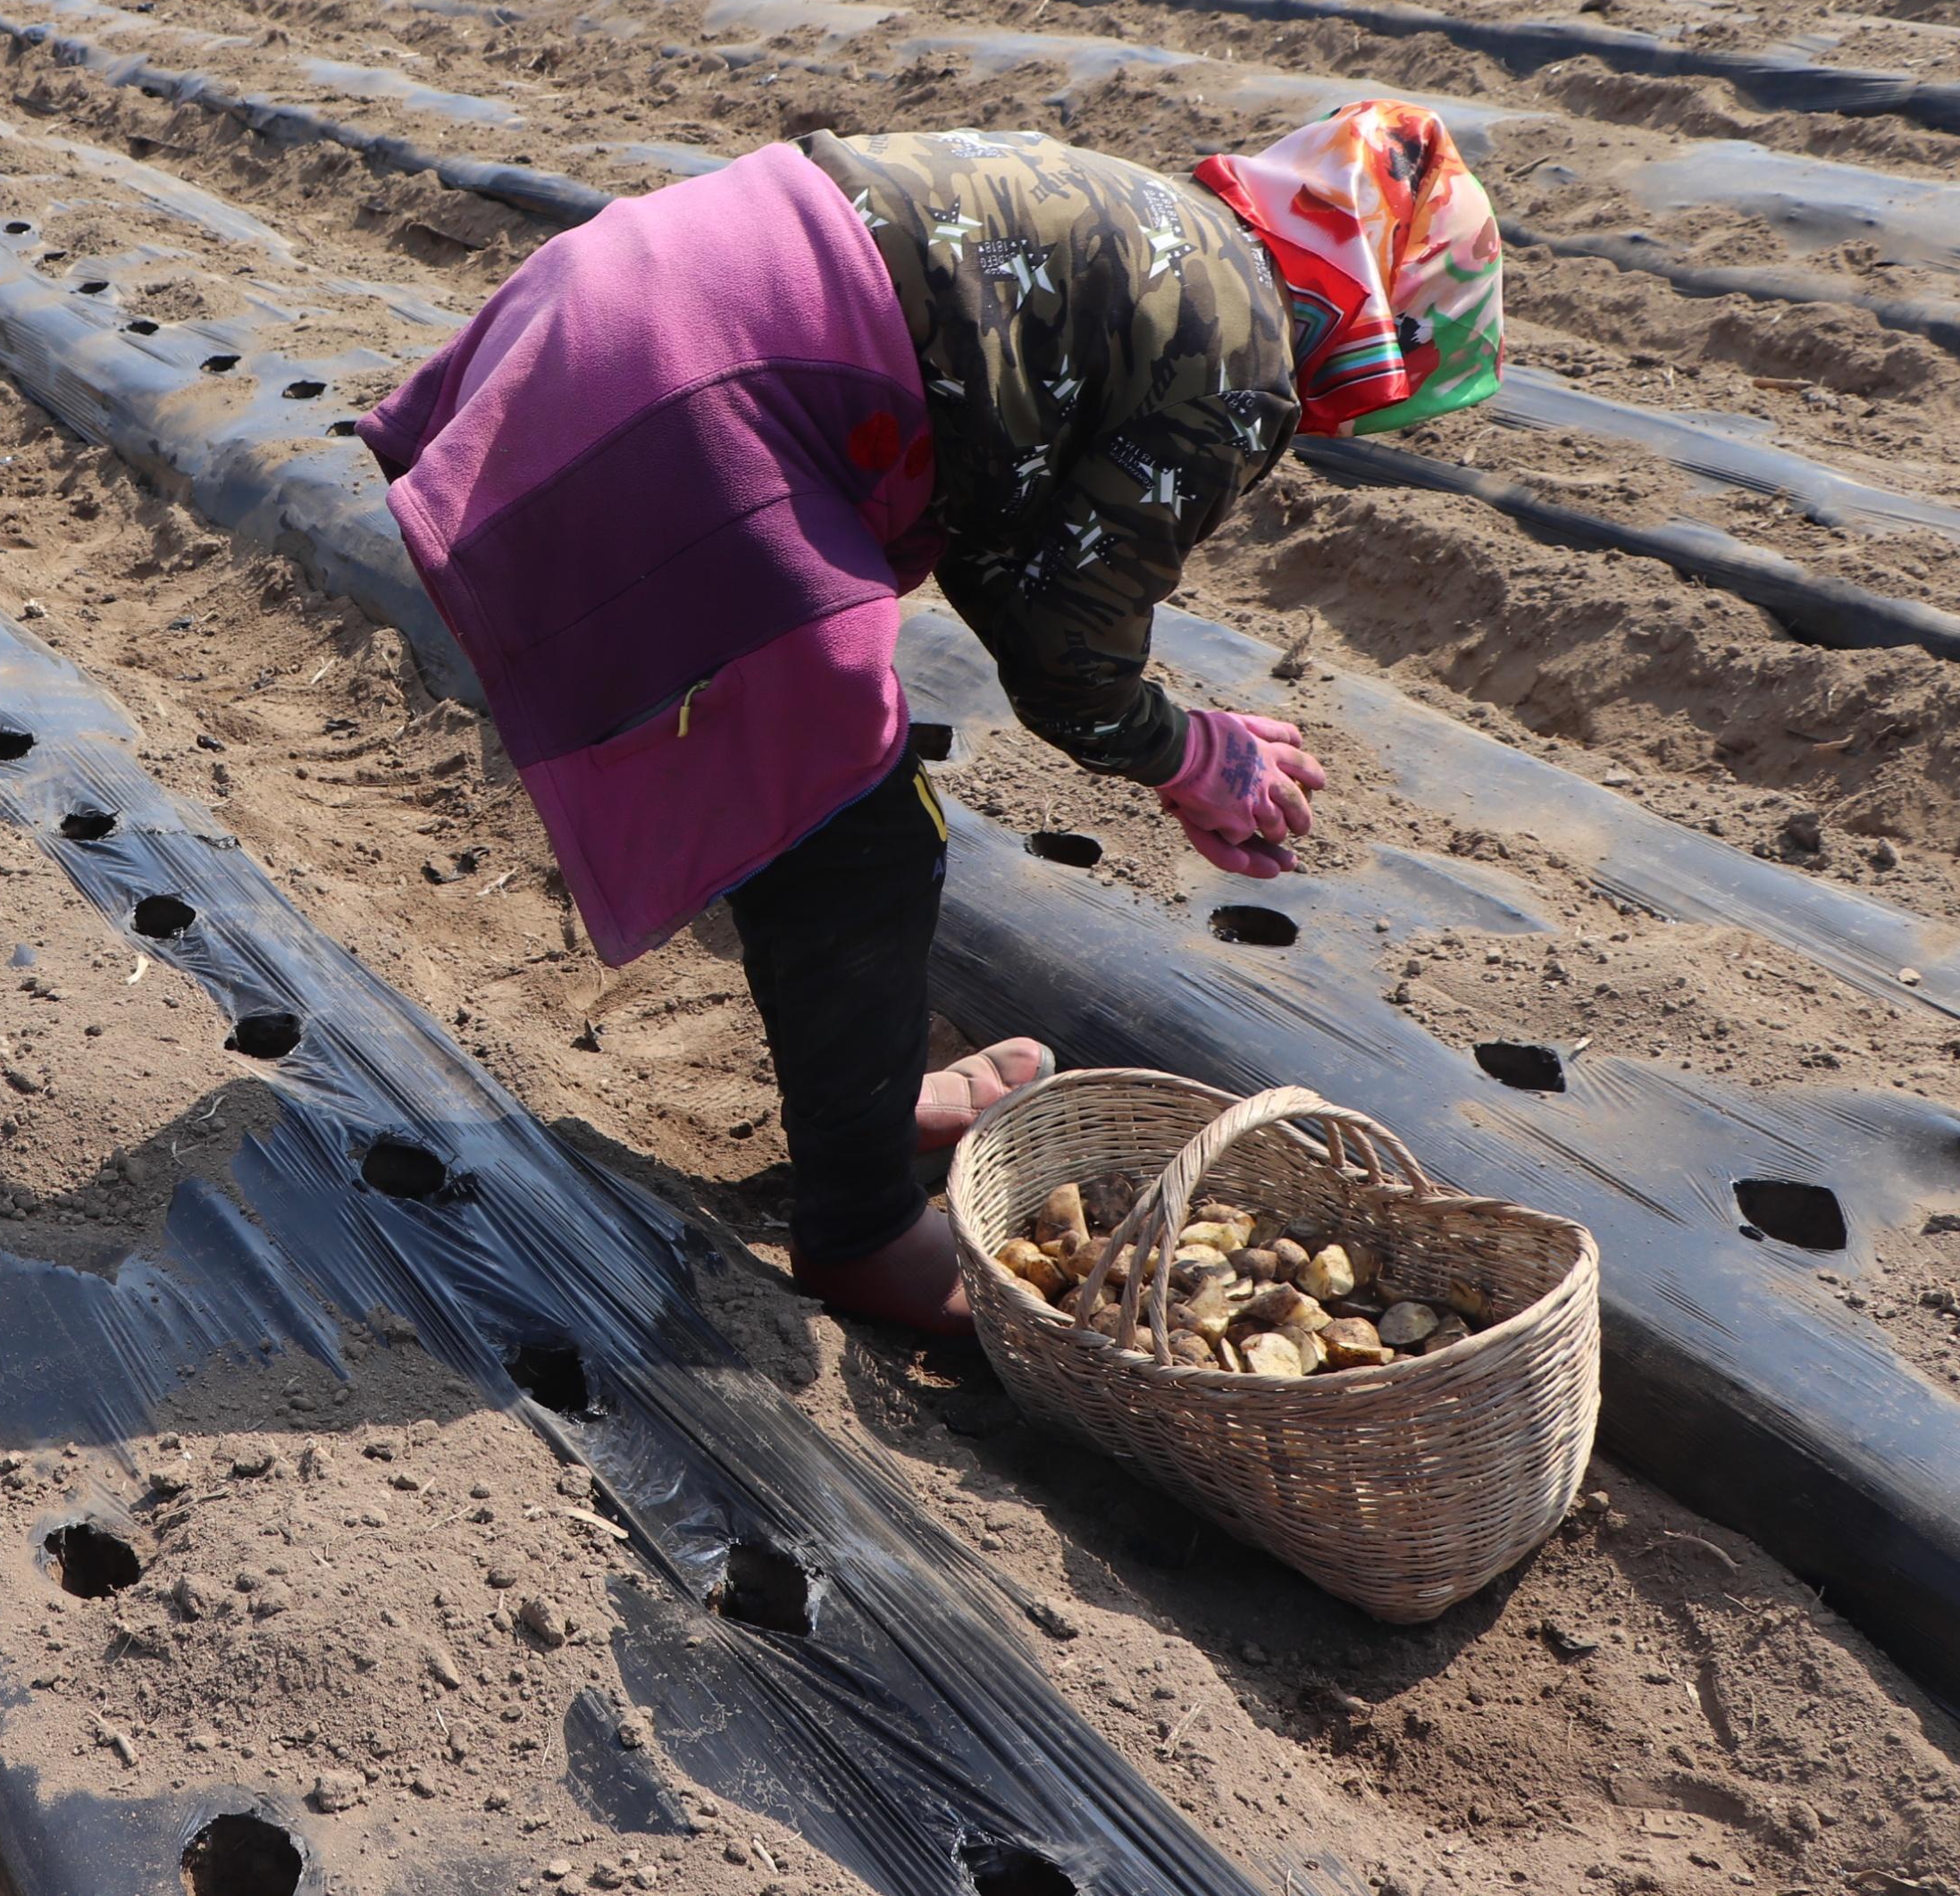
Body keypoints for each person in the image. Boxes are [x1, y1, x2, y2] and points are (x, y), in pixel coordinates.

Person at [356, 102, 1505, 1335]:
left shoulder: (1165, 230)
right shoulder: (1241, 354)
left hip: (620, 297)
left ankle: (872, 1091)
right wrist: (1187, 752)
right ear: (1381, 314)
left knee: (818, 806)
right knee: (858, 828)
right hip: (693, 390)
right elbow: (1065, 645)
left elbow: (1001, 522)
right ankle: (858, 1231)